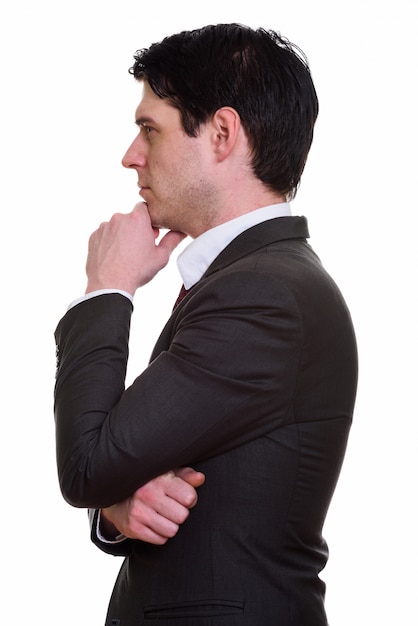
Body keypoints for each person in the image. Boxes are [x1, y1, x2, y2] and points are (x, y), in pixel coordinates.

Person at [54, 23, 358, 626]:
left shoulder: (264, 293)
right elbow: (120, 469)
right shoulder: (251, 279)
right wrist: (115, 508)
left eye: (149, 128)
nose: (130, 156)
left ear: (222, 134)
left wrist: (106, 288)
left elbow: (88, 463)